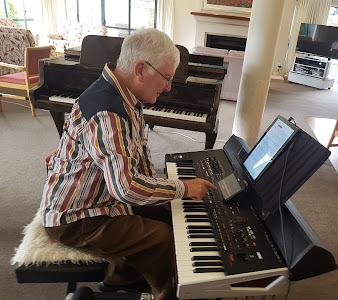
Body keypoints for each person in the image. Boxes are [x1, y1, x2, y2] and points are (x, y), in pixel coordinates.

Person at [40, 28, 216, 300]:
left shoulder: (119, 92)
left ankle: (119, 279)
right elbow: (126, 187)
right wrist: (181, 187)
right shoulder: (109, 112)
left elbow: (128, 157)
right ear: (141, 69)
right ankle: (164, 292)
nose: (169, 86)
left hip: (99, 198)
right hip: (74, 219)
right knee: (160, 237)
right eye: (167, 77)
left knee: (172, 213)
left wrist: (167, 193)